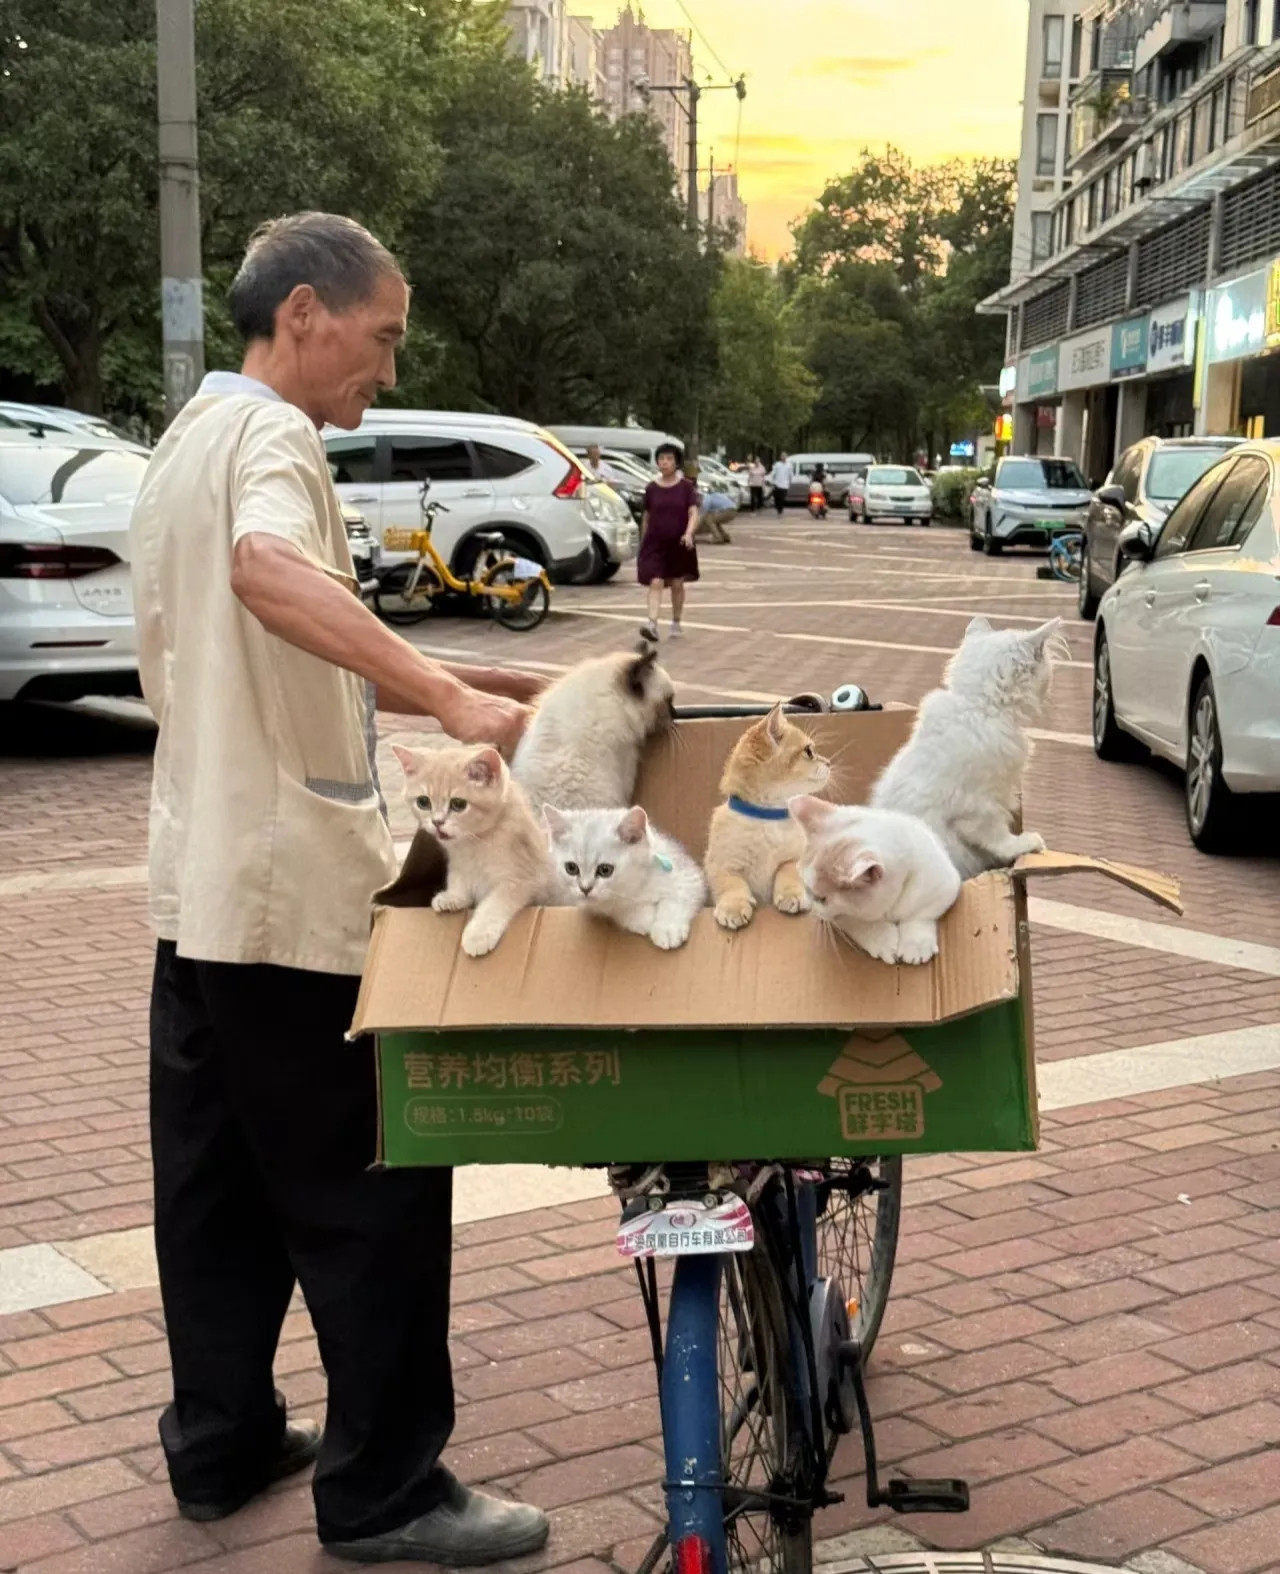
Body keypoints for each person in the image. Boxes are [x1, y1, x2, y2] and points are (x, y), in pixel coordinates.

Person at [129, 212, 552, 1566]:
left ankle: (221, 1437)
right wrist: (441, 692)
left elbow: (282, 638)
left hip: (197, 886)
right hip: (290, 894)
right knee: (373, 1186)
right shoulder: (273, 439)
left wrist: (486, 688)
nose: (383, 370)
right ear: (303, 315)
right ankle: (384, 1489)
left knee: (215, 1188)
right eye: (380, 340)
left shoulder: (181, 442)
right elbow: (268, 575)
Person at [637, 441, 699, 639]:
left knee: (677, 583)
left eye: (669, 459)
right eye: (661, 458)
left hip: (679, 543)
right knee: (655, 581)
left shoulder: (686, 488)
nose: (664, 462)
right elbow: (646, 516)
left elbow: (693, 512)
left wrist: (689, 533)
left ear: (676, 463)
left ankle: (676, 621)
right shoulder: (651, 488)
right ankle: (652, 623)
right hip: (655, 543)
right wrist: (643, 540)